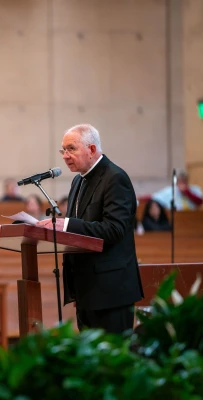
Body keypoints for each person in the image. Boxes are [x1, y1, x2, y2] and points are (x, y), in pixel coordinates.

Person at [37, 124, 144, 334]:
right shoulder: (78, 181)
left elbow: (114, 229)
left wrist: (65, 224)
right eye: (63, 150)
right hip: (87, 289)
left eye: (71, 149)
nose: (65, 156)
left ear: (92, 149)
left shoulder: (115, 178)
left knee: (113, 360)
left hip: (111, 291)